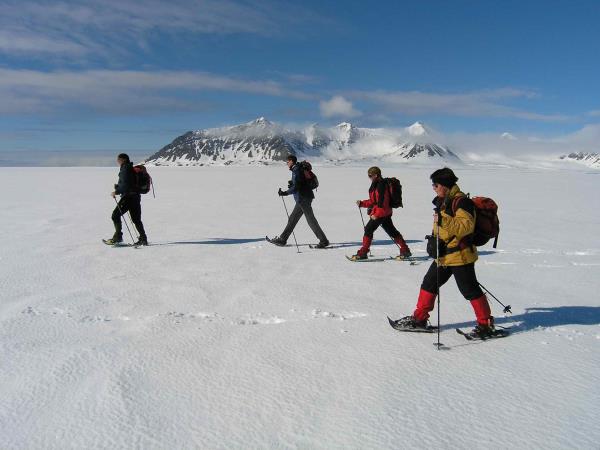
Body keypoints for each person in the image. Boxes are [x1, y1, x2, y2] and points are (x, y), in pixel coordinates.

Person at [395, 167, 499, 339]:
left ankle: (485, 324)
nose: (433, 188)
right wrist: (434, 242)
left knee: (469, 290)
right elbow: (442, 227)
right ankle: (419, 318)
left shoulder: (461, 202)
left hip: (460, 255)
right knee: (429, 283)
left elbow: (465, 227)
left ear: (445, 185)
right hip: (444, 255)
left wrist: (444, 220)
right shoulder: (444, 201)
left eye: (435, 184)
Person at [350, 166, 411, 260]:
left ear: (376, 175)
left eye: (370, 175)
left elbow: (383, 203)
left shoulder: (381, 185)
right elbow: (374, 201)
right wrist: (362, 203)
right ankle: (405, 250)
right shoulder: (375, 185)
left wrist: (376, 215)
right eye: (368, 175)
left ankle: (363, 253)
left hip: (382, 213)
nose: (369, 177)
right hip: (384, 213)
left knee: (368, 229)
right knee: (392, 231)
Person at [268, 155, 329, 248]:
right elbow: (300, 183)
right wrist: (292, 185)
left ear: (292, 161)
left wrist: (285, 192)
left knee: (311, 221)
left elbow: (297, 187)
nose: (286, 163)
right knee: (292, 219)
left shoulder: (296, 170)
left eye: (287, 161)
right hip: (303, 198)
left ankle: (323, 241)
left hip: (303, 198)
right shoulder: (297, 170)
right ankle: (282, 239)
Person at [104, 153, 148, 246]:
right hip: (136, 197)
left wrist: (116, 191)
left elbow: (125, 185)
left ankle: (118, 237)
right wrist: (119, 187)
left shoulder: (125, 169)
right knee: (136, 219)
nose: (117, 161)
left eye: (118, 159)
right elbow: (128, 183)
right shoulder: (130, 168)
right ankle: (143, 239)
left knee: (115, 215)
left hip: (128, 197)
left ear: (123, 160)